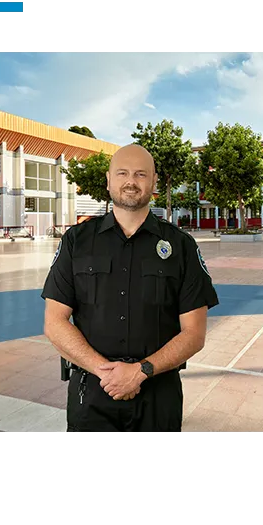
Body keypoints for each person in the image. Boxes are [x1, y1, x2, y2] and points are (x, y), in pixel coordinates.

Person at [41, 144, 219, 438]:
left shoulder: (182, 246)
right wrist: (106, 372)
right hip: (93, 392)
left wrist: (139, 372)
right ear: (109, 180)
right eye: (122, 173)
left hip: (158, 396)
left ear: (154, 182)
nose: (131, 182)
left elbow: (194, 333)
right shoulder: (76, 241)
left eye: (141, 174)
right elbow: (54, 322)